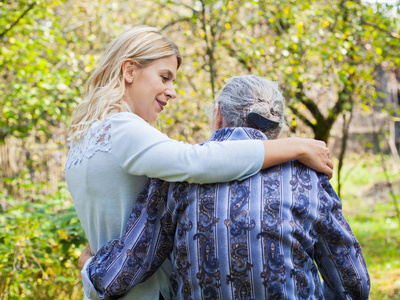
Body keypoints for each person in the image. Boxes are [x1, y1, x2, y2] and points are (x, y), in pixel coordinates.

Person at [65, 26, 334, 300]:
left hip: (105, 288)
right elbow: (197, 161)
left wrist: (90, 268)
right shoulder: (124, 129)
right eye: (164, 77)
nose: (172, 92)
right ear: (129, 70)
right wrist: (296, 145)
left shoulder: (83, 141)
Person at [79, 75, 370, 299]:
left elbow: (129, 265)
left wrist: (91, 266)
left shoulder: (175, 178)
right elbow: (353, 280)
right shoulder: (306, 179)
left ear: (218, 115)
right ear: (276, 129)